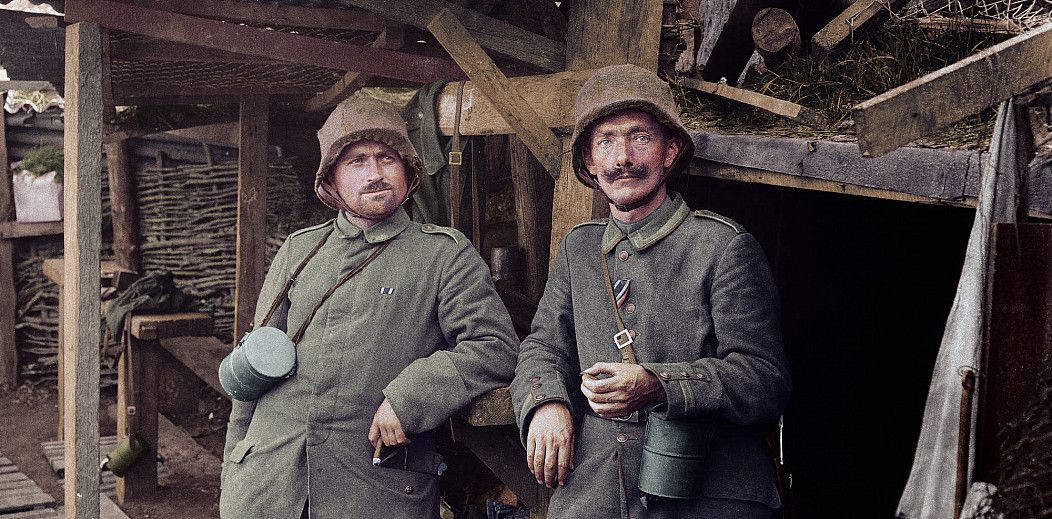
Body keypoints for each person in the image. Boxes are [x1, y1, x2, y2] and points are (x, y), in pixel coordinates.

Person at [510, 64, 791, 518]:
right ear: (589, 162)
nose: (622, 157)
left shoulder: (722, 247)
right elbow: (544, 346)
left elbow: (764, 380)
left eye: (639, 136)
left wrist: (660, 386)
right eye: (605, 141)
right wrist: (546, 403)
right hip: (597, 493)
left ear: (670, 150)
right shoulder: (578, 249)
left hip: (706, 493)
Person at [220, 96, 519, 519]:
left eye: (387, 159)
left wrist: (410, 396)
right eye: (357, 161)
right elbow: (251, 370)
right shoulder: (299, 250)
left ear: (408, 172)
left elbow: (494, 347)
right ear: (332, 181)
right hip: (269, 487)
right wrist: (236, 466)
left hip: (374, 492)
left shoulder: (443, 255)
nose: (375, 174)